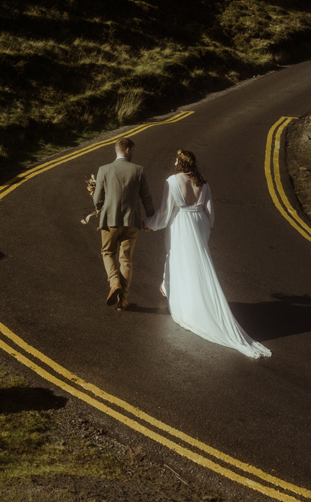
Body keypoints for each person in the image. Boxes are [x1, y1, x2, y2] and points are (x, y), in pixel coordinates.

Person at [146, 149, 271, 358]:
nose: (174, 161)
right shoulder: (203, 183)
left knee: (180, 260)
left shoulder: (172, 181)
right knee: (197, 264)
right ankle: (185, 295)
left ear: (180, 163)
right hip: (199, 224)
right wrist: (205, 229)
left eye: (176, 159)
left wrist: (149, 224)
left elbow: (165, 212)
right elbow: (210, 213)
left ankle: (185, 303)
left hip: (182, 225)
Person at [93, 137, 156, 312]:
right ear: (128, 150)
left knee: (107, 253)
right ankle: (123, 301)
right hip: (132, 222)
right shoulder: (139, 170)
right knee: (126, 260)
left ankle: (114, 282)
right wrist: (151, 219)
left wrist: (100, 209)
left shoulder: (104, 170)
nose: (133, 153)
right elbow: (146, 198)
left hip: (109, 221)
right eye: (133, 150)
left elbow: (97, 198)